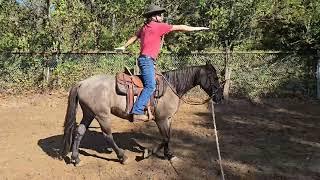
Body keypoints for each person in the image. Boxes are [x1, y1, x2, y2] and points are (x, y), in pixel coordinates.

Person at [115, 4, 209, 121]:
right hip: (147, 61)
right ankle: (137, 110)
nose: (161, 16)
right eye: (159, 15)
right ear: (153, 17)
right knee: (151, 86)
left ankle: (149, 106)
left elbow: (134, 37)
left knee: (152, 81)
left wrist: (124, 46)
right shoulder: (158, 27)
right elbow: (181, 27)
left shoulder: (144, 27)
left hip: (145, 60)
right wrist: (197, 28)